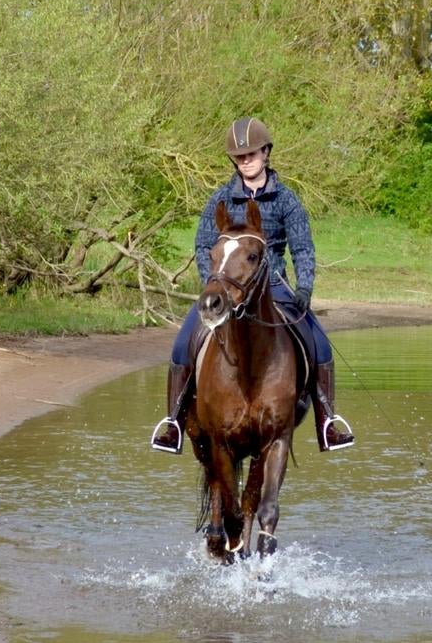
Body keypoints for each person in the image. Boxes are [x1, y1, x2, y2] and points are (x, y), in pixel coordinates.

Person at [151, 117, 354, 454]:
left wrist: (304, 289)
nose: (246, 161)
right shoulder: (220, 199)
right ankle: (173, 423)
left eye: (252, 154)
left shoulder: (287, 200)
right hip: (227, 286)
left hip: (273, 287)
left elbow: (302, 248)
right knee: (182, 343)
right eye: (240, 156)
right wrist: (212, 283)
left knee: (320, 345)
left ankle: (327, 422)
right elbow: (204, 246)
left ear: (266, 153)